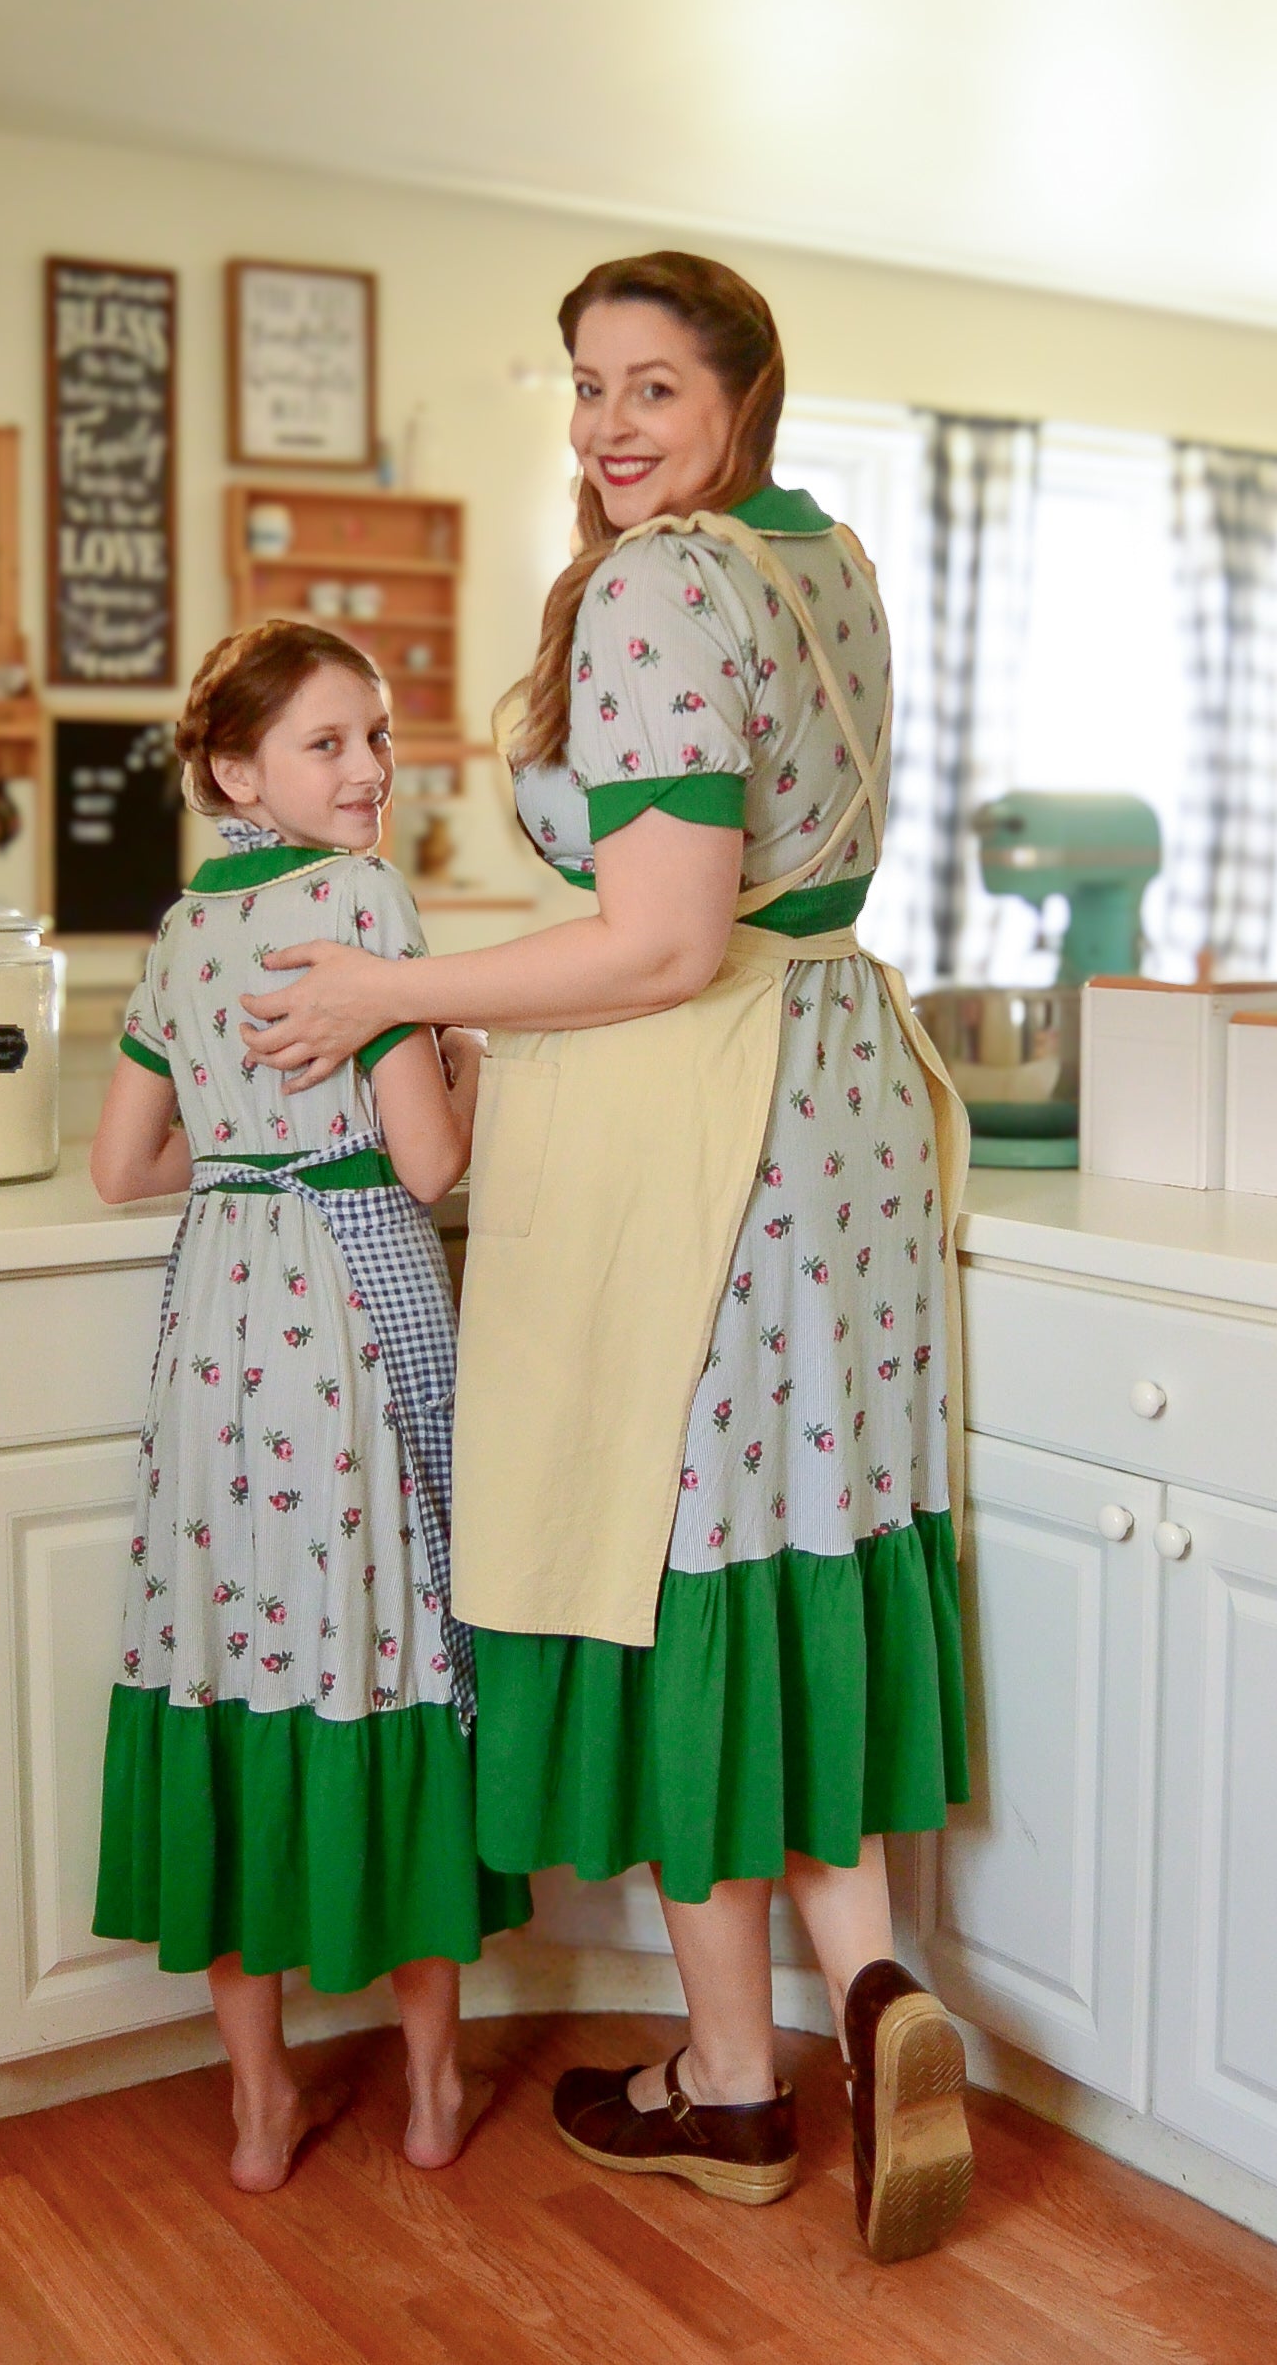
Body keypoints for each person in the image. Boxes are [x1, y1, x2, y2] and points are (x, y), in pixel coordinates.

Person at [239, 253, 974, 2261]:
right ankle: (878, 1995)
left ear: (747, 391)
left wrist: (397, 980)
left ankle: (735, 2081)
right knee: (793, 1547)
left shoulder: (657, 586)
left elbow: (657, 934)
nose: (609, 425)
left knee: (671, 1581)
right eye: (586, 386)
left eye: (655, 384)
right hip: (840, 1124)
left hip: (704, 1124)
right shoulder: (821, 553)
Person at [89, 619, 530, 2193]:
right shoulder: (360, 903)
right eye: (328, 743)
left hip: (219, 1317)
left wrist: (251, 1158)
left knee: (224, 1648)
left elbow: (121, 1165)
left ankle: (259, 2109)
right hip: (347, 1308)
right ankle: (426, 2089)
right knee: (389, 1646)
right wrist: (463, 1053)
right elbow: (428, 1164)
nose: (367, 769)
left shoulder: (177, 924)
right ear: (235, 771)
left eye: (378, 734)